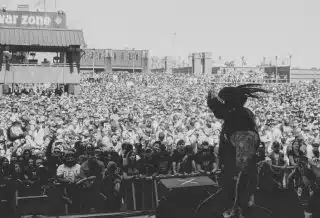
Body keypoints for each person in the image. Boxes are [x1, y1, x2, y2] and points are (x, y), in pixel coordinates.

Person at [207, 84, 269, 217]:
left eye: (218, 108)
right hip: (231, 186)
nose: (215, 112)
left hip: (239, 197)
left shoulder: (241, 125)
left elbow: (244, 169)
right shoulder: (234, 117)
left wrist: (237, 207)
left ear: (228, 108)